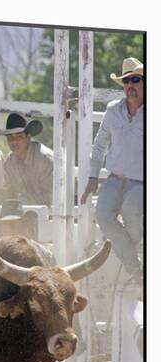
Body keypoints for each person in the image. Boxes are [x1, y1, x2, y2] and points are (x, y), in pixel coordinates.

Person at [80, 57, 144, 280]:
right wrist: (92, 176)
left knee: (131, 210)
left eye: (135, 79)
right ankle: (135, 267)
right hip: (114, 178)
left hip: (141, 181)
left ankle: (132, 263)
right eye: (126, 81)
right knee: (102, 214)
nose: (130, 86)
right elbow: (99, 145)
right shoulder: (112, 110)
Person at [0, 112, 53, 206]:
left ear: (28, 137)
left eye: (19, 136)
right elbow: (9, 194)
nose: (14, 141)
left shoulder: (44, 159)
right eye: (9, 137)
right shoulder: (9, 162)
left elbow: (51, 200)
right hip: (24, 216)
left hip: (52, 216)